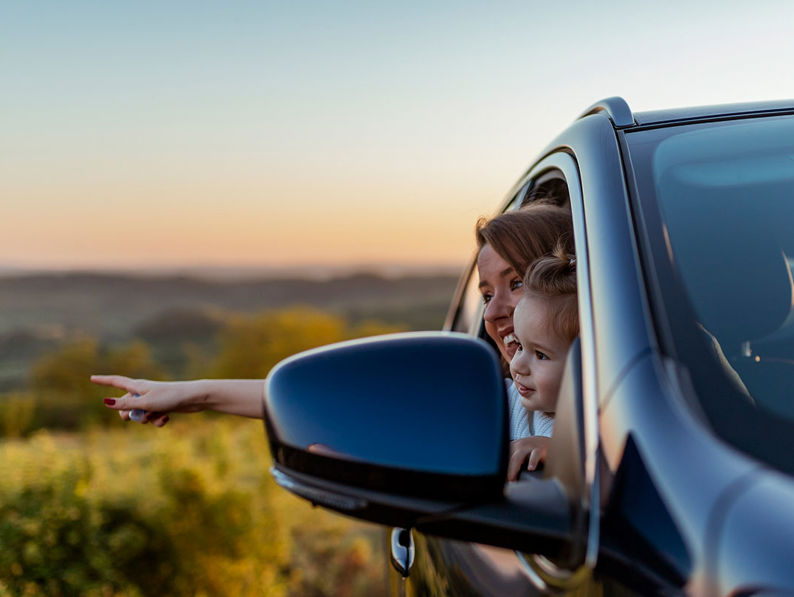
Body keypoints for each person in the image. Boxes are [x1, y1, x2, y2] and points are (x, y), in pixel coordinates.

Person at [93, 201, 574, 428]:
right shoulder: (497, 402)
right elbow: (340, 397)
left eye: (517, 283)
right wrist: (192, 393)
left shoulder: (629, 411)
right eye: (486, 293)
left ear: (568, 289)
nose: (494, 312)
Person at [506, 244, 578, 481]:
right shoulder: (505, 401)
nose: (517, 365)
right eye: (518, 346)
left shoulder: (599, 432)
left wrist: (559, 451)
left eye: (541, 355)